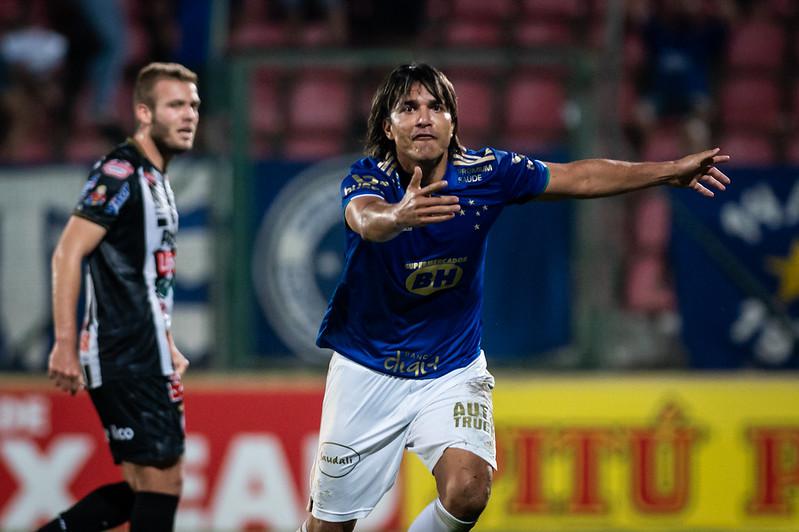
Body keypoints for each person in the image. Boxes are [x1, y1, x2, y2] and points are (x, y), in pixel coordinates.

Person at [299, 63, 731, 532]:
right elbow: (366, 219)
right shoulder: (367, 180)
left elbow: (580, 177)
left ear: (452, 122)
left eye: (435, 107)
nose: (423, 117)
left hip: (451, 368)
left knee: (468, 490)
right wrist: (399, 217)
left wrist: (667, 172)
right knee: (329, 529)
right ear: (388, 126)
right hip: (368, 370)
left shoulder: (489, 173)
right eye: (408, 108)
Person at [39, 62, 200, 532]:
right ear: (144, 113)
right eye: (176, 105)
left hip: (146, 347)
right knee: (161, 483)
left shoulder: (156, 178)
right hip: (123, 351)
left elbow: (146, 274)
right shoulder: (120, 171)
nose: (189, 115)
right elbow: (69, 251)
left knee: (147, 485)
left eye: (193, 105)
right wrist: (64, 342)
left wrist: (165, 339)